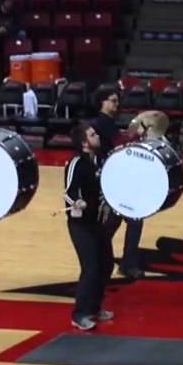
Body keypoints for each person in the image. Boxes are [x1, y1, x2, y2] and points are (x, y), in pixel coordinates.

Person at [63, 122, 112, 331]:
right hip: (81, 224)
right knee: (90, 268)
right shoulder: (76, 163)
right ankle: (79, 313)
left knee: (106, 264)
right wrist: (77, 202)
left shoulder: (99, 160)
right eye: (92, 134)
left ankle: (94, 307)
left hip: (98, 222)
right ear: (84, 142)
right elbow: (68, 191)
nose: (97, 136)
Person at [91, 89, 144, 279]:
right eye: (112, 101)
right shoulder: (102, 123)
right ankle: (124, 263)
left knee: (119, 220)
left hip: (115, 177)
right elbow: (119, 142)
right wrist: (136, 135)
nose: (116, 104)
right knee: (131, 218)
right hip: (111, 178)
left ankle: (102, 257)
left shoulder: (107, 123)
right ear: (102, 102)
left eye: (116, 101)